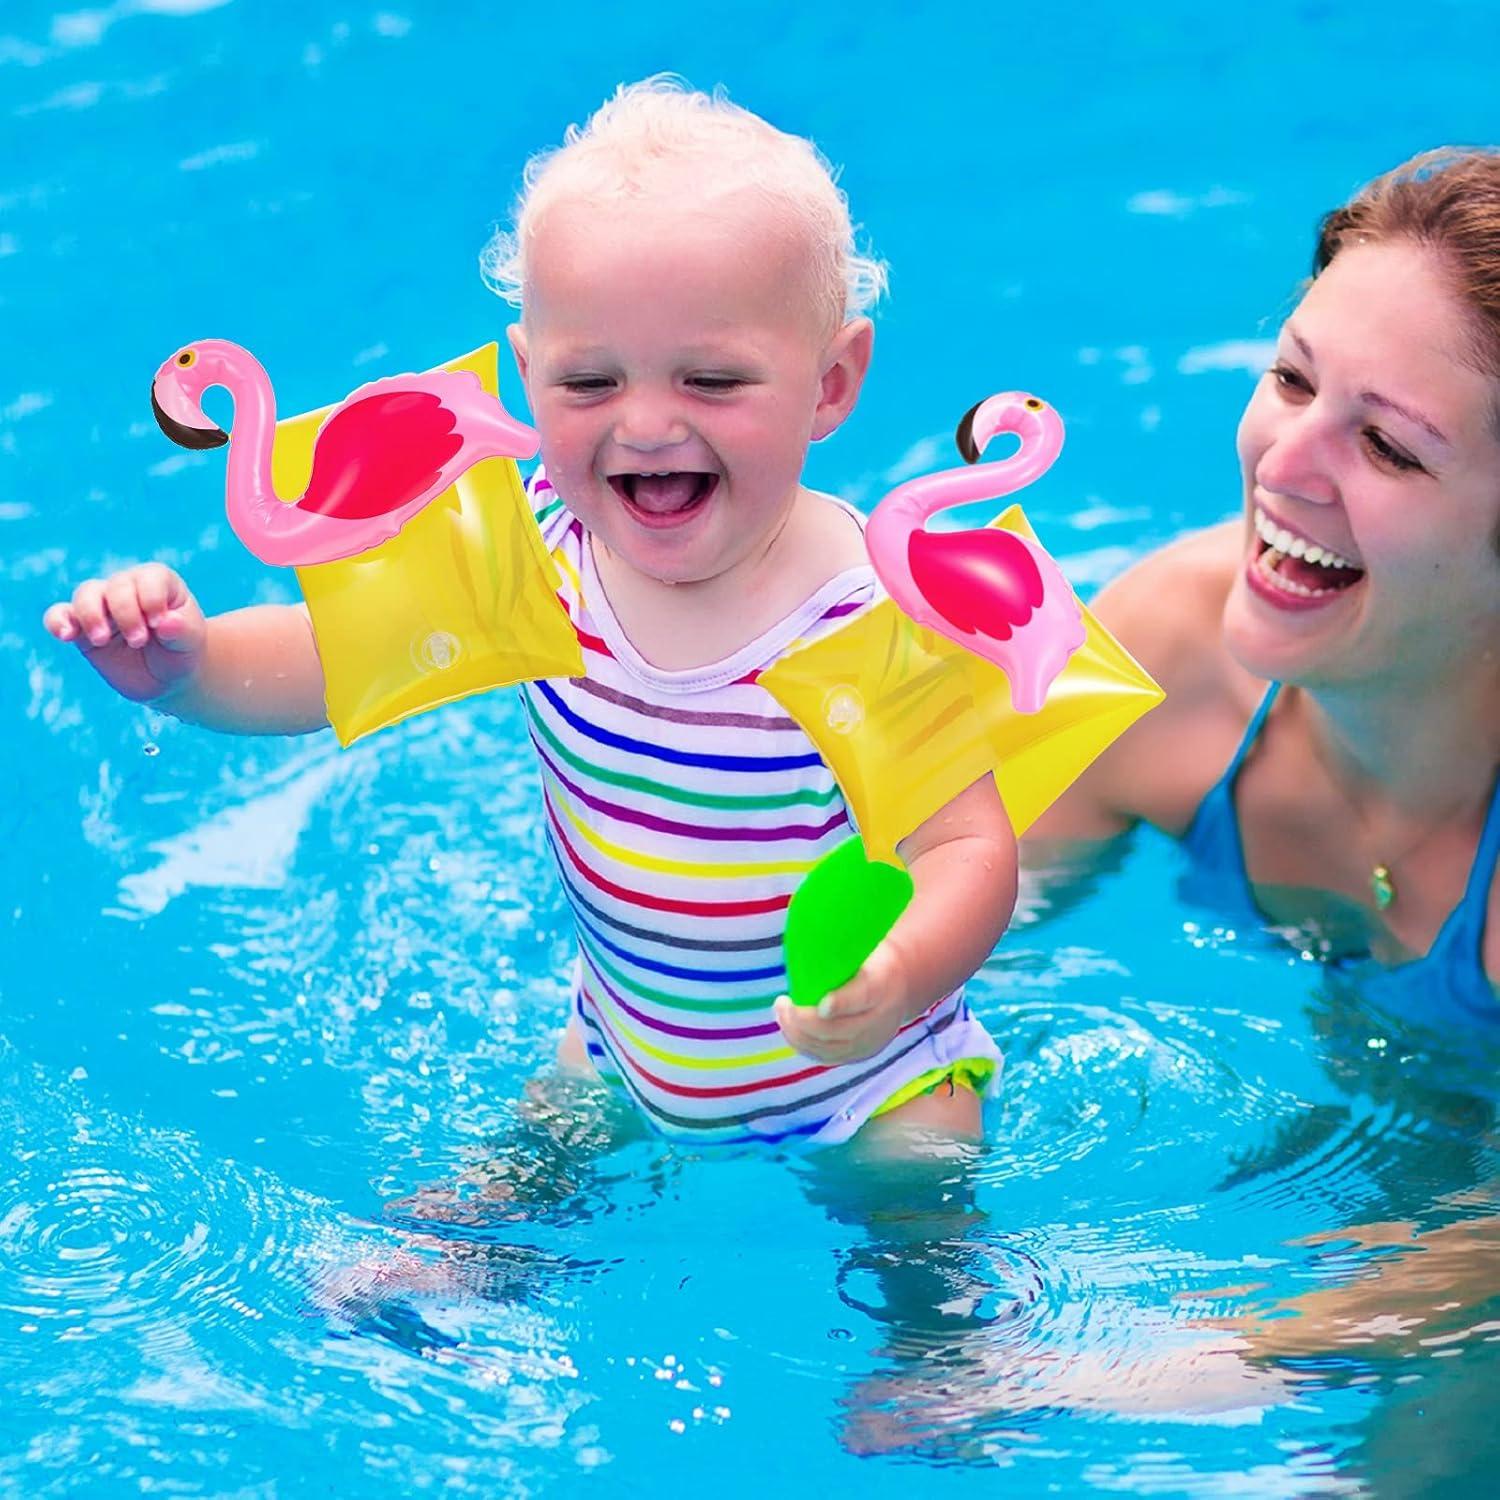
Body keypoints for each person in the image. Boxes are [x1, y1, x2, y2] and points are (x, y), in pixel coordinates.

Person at [42, 77, 1015, 1150]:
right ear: (524, 371)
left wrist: (898, 973)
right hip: (623, 1045)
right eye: (589, 383)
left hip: (867, 1080)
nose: (646, 425)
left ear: (832, 384)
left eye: (710, 379)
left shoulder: (868, 616)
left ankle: (954, 1324)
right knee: (502, 1194)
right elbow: (336, 664)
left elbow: (966, 846)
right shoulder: (537, 546)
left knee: (917, 1189)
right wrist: (187, 667)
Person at [1030, 147, 1500, 1008]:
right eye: (1292, 377)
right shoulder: (1161, 654)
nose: (1279, 467)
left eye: (1387, 447)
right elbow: (960, 953)